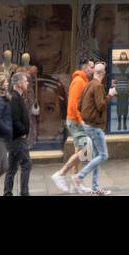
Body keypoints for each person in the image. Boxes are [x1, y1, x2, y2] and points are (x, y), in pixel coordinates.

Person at [51, 59, 94, 193]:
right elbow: (73, 104)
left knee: (79, 151)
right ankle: (60, 174)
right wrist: (81, 121)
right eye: (92, 67)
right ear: (85, 68)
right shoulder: (78, 81)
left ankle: (77, 183)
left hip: (76, 121)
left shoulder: (83, 81)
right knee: (85, 148)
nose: (93, 70)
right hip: (76, 121)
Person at [73, 61, 113, 195]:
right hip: (95, 127)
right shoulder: (98, 86)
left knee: (96, 156)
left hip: (87, 124)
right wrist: (110, 95)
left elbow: (79, 105)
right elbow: (101, 105)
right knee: (103, 155)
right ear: (103, 73)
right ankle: (79, 177)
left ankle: (95, 188)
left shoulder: (88, 84)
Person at [4, 71, 32, 196]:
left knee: (12, 167)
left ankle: (7, 192)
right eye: (26, 81)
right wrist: (22, 132)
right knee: (26, 164)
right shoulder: (14, 98)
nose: (27, 83)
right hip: (18, 139)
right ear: (20, 83)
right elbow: (14, 119)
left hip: (15, 139)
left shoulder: (16, 96)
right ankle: (24, 193)